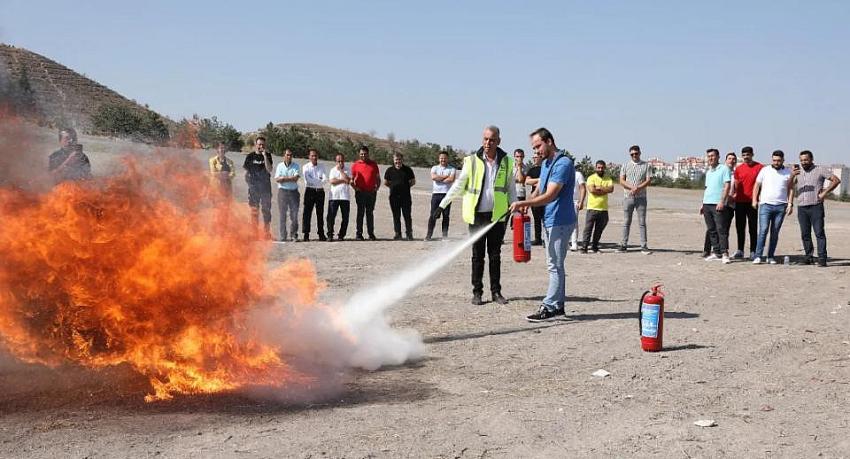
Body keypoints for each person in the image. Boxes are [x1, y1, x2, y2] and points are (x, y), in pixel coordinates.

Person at [436, 125, 516, 305]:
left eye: (492, 140)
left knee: (495, 255)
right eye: (486, 139)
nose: (488, 143)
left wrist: (515, 208)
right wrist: (442, 205)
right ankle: (477, 292)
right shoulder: (471, 161)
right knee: (477, 255)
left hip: (497, 216)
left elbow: (510, 188)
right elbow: (459, 185)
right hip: (477, 216)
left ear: (498, 141)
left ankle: (496, 292)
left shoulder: (507, 162)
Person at [509, 127, 576, 322]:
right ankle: (558, 306)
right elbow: (539, 189)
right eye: (534, 147)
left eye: (538, 146)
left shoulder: (563, 163)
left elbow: (551, 195)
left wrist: (523, 203)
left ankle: (548, 306)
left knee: (553, 265)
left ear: (549, 141)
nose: (536, 151)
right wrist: (528, 204)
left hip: (560, 221)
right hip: (551, 220)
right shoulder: (547, 163)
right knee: (557, 265)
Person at [792, 150, 841, 267]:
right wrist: (792, 175)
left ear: (811, 159)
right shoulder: (798, 172)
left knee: (819, 232)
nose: (803, 162)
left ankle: (822, 258)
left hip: (815, 206)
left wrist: (824, 193)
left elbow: (836, 180)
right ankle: (808, 257)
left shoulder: (820, 169)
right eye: (802, 160)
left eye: (806, 160)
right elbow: (789, 186)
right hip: (802, 207)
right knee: (805, 234)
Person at [752, 150, 794, 264]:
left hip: (781, 206)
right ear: (772, 159)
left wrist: (790, 204)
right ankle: (758, 256)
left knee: (775, 232)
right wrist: (754, 199)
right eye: (774, 160)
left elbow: (791, 189)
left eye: (778, 160)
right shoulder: (765, 170)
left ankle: (770, 256)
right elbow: (757, 185)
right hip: (765, 205)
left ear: (783, 160)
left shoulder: (788, 172)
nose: (776, 162)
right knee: (763, 230)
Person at [700, 148, 732, 264]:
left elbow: (727, 186)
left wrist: (722, 201)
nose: (710, 158)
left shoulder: (724, 169)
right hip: (707, 204)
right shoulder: (709, 171)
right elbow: (707, 188)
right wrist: (702, 203)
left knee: (721, 229)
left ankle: (725, 253)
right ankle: (717, 252)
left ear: (718, 157)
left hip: (717, 204)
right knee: (711, 230)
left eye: (713, 156)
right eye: (708, 156)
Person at [618, 145, 652, 254]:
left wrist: (638, 188)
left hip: (641, 198)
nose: (634, 156)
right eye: (632, 154)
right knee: (626, 222)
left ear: (640, 153)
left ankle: (644, 245)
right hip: (628, 197)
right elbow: (621, 181)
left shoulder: (646, 165)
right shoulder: (625, 165)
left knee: (642, 222)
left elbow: (648, 180)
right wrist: (631, 188)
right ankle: (623, 244)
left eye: (636, 153)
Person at [733, 146, 762, 259]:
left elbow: (762, 184)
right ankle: (740, 250)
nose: (746, 157)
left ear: (752, 154)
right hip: (739, 202)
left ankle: (753, 251)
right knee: (740, 227)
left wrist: (759, 198)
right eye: (744, 155)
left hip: (752, 202)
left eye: (748, 155)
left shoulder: (759, 167)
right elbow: (735, 184)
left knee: (753, 227)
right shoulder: (739, 169)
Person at [243, 137, 274, 240]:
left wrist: (265, 156)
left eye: (263, 145)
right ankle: (254, 233)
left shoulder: (268, 155)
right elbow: (246, 172)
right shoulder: (250, 156)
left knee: (266, 211)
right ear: (256, 145)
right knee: (254, 211)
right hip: (254, 188)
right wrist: (249, 184)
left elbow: (269, 169)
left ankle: (266, 232)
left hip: (265, 188)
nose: (261, 146)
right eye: (259, 144)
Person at [581, 160, 614, 253]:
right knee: (588, 229)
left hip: (603, 208)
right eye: (598, 167)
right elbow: (592, 190)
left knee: (599, 230)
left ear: (605, 168)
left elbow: (611, 189)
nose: (600, 169)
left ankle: (595, 246)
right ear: (595, 168)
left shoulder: (608, 178)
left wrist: (600, 188)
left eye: (602, 167)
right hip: (592, 208)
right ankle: (584, 247)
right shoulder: (591, 178)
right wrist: (604, 190)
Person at [351, 146, 380, 240]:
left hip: (371, 192)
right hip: (360, 192)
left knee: (370, 213)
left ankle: (371, 234)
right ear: (359, 154)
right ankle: (359, 234)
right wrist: (355, 188)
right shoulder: (355, 165)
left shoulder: (373, 164)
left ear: (368, 154)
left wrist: (377, 188)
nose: (363, 155)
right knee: (360, 213)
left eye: (365, 154)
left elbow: (378, 178)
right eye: (361, 154)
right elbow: (352, 179)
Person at [384, 153, 416, 240]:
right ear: (393, 160)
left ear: (402, 160)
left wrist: (404, 186)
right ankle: (398, 233)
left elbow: (413, 182)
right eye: (396, 160)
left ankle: (409, 233)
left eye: (399, 159)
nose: (398, 161)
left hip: (405, 197)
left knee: (407, 215)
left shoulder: (408, 170)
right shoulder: (389, 170)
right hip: (394, 197)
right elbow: (386, 182)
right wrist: (393, 186)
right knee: (396, 215)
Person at [426, 151, 456, 240]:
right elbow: (433, 177)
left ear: (447, 159)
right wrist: (445, 176)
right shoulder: (434, 168)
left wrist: (440, 178)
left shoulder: (452, 169)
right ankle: (428, 235)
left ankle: (444, 236)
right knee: (433, 215)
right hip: (436, 195)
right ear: (439, 159)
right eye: (441, 158)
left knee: (446, 216)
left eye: (445, 158)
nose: (443, 160)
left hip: (447, 195)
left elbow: (451, 180)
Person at [273, 149, 300, 242]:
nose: (289, 157)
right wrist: (289, 178)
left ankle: (294, 235)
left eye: (290, 155)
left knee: (294, 215)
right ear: (284, 156)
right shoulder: (280, 166)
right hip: (283, 192)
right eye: (287, 155)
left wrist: (283, 178)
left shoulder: (296, 166)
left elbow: (295, 178)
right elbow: (277, 179)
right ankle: (283, 235)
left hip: (293, 192)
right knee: (282, 215)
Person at [301, 148, 328, 241]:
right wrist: (318, 180)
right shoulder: (305, 167)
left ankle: (321, 233)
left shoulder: (322, 166)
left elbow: (324, 180)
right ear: (309, 157)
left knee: (320, 213)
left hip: (320, 192)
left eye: (315, 155)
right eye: (312, 155)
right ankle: (306, 234)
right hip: (310, 191)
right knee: (307, 213)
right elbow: (308, 180)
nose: (314, 157)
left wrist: (317, 181)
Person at [327, 153, 352, 241]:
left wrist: (341, 171)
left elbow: (348, 181)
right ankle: (330, 234)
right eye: (338, 161)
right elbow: (332, 181)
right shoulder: (332, 170)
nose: (340, 163)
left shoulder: (348, 169)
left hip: (345, 197)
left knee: (345, 217)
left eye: (342, 161)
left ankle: (341, 235)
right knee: (331, 216)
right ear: (336, 161)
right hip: (334, 197)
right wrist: (343, 180)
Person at [524, 151, 545, 246]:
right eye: (533, 157)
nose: (534, 159)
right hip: (535, 197)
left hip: (545, 196)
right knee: (536, 219)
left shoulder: (546, 168)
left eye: (536, 157)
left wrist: (536, 182)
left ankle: (547, 238)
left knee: (545, 218)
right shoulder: (532, 170)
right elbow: (527, 181)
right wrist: (540, 180)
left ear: (541, 157)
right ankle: (538, 239)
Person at [569, 169, 587, 251]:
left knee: (573, 223)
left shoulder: (578, 174)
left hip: (574, 201)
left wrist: (581, 201)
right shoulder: (562, 173)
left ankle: (574, 243)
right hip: (563, 201)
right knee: (563, 223)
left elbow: (583, 188)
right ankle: (565, 243)